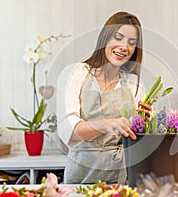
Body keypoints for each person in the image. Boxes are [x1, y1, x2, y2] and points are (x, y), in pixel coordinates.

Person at [58, 11, 147, 184]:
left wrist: (145, 124)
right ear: (105, 38)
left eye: (131, 43)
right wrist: (106, 124)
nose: (124, 47)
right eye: (118, 37)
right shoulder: (76, 73)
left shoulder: (133, 83)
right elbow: (67, 132)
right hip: (82, 177)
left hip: (123, 180)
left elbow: (136, 139)